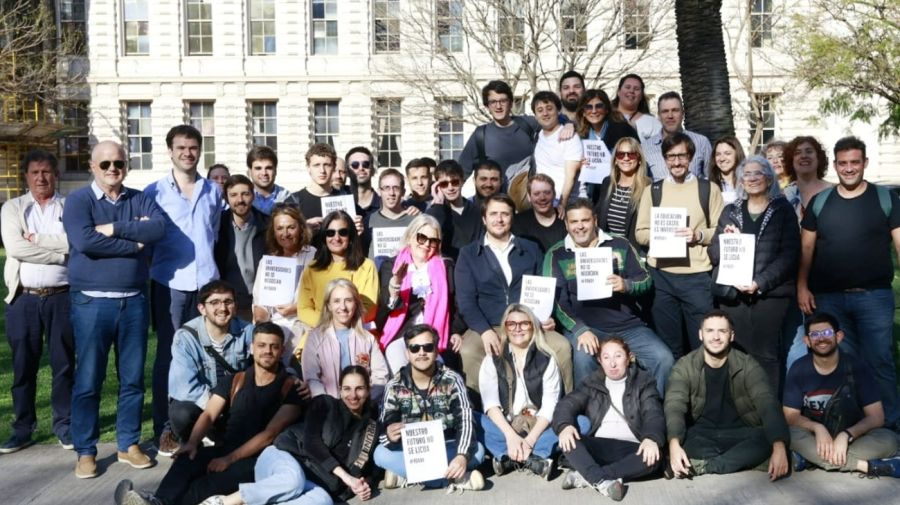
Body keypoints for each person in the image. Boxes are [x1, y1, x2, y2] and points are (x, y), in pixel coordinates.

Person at [63, 140, 166, 478]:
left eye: (118, 164)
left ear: (126, 167)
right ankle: (86, 451)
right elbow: (84, 241)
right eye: (105, 164)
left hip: (133, 301)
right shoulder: (78, 201)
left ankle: (128, 444)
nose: (112, 170)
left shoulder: (139, 198)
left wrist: (117, 228)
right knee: (89, 379)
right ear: (93, 166)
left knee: (133, 379)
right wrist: (133, 244)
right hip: (91, 302)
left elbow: (158, 229)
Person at [115, 323, 304, 505]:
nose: (267, 351)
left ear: (282, 351)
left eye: (274, 347)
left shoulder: (291, 388)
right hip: (226, 447)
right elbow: (208, 415)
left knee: (205, 486)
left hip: (261, 458)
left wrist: (229, 459)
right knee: (186, 460)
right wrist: (192, 442)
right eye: (261, 345)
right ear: (252, 348)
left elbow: (269, 434)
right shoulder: (236, 380)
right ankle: (159, 501)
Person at [797, 136, 900, 428]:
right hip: (829, 299)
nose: (849, 168)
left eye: (855, 162)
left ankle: (891, 426)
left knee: (880, 362)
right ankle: (852, 425)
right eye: (843, 163)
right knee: (841, 365)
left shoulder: (885, 198)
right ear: (835, 165)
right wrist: (801, 286)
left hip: (874, 297)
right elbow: (806, 250)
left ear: (864, 163)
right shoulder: (821, 201)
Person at [144, 124, 224, 442]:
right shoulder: (154, 192)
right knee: (169, 354)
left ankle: (201, 424)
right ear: (170, 151)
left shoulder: (213, 191)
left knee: (208, 354)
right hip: (170, 283)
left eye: (193, 148)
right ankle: (166, 427)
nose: (187, 153)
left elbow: (213, 233)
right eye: (181, 148)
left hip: (206, 284)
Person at [201, 366, 381, 505]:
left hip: (313, 484)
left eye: (359, 389)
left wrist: (365, 484)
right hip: (282, 459)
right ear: (340, 390)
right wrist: (346, 477)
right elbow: (312, 444)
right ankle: (223, 502)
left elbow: (371, 469)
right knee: (293, 480)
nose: (353, 395)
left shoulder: (371, 428)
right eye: (347, 389)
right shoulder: (325, 404)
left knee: (323, 500)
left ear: (368, 389)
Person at [545, 198, 672, 392]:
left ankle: (654, 412)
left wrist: (626, 285)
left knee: (663, 359)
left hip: (628, 326)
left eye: (585, 220)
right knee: (583, 360)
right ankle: (589, 417)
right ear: (566, 224)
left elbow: (646, 279)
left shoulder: (619, 244)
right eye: (574, 222)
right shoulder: (557, 254)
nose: (580, 227)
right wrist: (579, 329)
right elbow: (555, 301)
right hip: (586, 328)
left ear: (595, 220)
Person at [456, 194, 574, 393]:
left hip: (528, 323)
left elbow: (544, 288)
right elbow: (466, 302)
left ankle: (563, 409)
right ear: (484, 219)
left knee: (561, 346)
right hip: (488, 325)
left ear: (513, 218)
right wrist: (484, 331)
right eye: (493, 214)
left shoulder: (530, 249)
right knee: (468, 351)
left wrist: (546, 317)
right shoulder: (468, 254)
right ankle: (479, 412)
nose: (499, 219)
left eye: (505, 214)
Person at [0, 150, 75, 453]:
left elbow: (77, 242)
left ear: (56, 175)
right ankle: (23, 428)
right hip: (24, 298)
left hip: (63, 298)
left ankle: (65, 425)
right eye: (34, 173)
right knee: (23, 366)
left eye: (46, 172)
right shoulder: (13, 208)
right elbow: (16, 248)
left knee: (65, 364)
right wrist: (60, 254)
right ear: (26, 177)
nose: (41, 178)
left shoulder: (71, 207)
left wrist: (39, 241)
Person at [708, 156, 799, 394]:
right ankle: (739, 409)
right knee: (735, 353)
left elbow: (789, 256)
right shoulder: (731, 211)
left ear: (769, 179)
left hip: (770, 295)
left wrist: (760, 282)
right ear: (740, 180)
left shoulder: (782, 210)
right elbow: (714, 254)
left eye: (758, 173)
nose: (752, 178)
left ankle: (766, 412)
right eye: (746, 174)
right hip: (734, 296)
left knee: (766, 355)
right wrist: (727, 239)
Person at [665, 310, 789, 480]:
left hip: (740, 433)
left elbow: (767, 402)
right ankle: (748, 462)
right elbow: (674, 405)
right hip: (701, 435)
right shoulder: (685, 366)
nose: (716, 337)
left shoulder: (747, 365)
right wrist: (674, 444)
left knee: (767, 439)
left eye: (722, 331)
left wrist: (779, 445)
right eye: (710, 331)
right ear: (701, 334)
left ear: (731, 336)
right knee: (683, 443)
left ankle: (706, 466)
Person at [635, 132, 724, 358]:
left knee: (702, 345)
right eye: (671, 156)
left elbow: (720, 230)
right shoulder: (653, 191)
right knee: (669, 346)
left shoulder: (708, 189)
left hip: (697, 278)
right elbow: (640, 233)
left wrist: (698, 235)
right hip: (662, 277)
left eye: (682, 156)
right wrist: (662, 236)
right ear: (664, 159)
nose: (676, 162)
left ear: (691, 157)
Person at [783, 312, 900, 477]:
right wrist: (817, 428)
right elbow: (790, 416)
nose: (821, 338)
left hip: (853, 438)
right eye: (815, 334)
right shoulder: (799, 368)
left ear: (839, 336)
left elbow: (876, 417)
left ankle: (810, 459)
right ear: (807, 341)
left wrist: (847, 435)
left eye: (827, 333)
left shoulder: (857, 367)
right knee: (786, 433)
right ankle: (867, 466)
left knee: (889, 440)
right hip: (814, 438)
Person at [375, 324, 486, 491]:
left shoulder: (452, 379)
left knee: (477, 451)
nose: (421, 352)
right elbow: (384, 428)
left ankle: (408, 476)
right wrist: (389, 435)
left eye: (428, 347)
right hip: (413, 453)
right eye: (414, 348)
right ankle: (457, 479)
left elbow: (465, 418)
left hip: (447, 444)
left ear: (436, 351)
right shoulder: (394, 385)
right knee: (380, 454)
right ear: (407, 353)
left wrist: (462, 456)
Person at [552, 338, 664, 501]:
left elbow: (653, 412)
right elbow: (567, 404)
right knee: (569, 439)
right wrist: (564, 426)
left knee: (655, 456)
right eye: (606, 357)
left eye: (618, 356)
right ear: (599, 361)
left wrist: (651, 438)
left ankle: (589, 476)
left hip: (632, 447)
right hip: (601, 445)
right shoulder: (592, 383)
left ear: (628, 358)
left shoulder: (644, 382)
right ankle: (602, 480)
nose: (612, 364)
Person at [159, 280, 254, 457]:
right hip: (203, 403)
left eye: (228, 302)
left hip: (234, 402)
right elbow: (184, 387)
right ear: (202, 308)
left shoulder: (248, 331)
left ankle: (219, 438)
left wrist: (292, 377)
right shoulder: (185, 337)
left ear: (235, 305)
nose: (222, 308)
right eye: (214, 302)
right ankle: (190, 443)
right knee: (181, 413)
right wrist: (215, 408)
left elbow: (267, 363)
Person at [478, 304, 562, 480]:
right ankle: (530, 457)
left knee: (580, 422)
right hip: (505, 426)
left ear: (533, 326)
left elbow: (549, 408)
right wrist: (511, 436)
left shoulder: (546, 359)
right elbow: (491, 404)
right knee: (473, 418)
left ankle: (513, 457)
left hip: (536, 426)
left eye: (524, 323)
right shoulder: (493, 359)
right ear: (505, 327)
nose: (518, 329)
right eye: (512, 324)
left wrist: (530, 440)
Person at [375, 215, 465, 372]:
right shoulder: (391, 265)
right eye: (422, 237)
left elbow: (458, 304)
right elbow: (385, 307)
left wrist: (455, 331)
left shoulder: (446, 267)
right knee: (398, 359)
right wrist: (395, 283)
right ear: (410, 236)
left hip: (436, 335)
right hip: (402, 335)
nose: (427, 244)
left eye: (433, 240)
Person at [302, 279, 389, 398]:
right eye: (336, 301)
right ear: (329, 305)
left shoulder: (368, 339)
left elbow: (380, 376)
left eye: (348, 300)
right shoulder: (315, 338)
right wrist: (329, 404)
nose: (343, 307)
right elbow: (311, 379)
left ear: (356, 304)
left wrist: (365, 400)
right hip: (328, 409)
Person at [251, 205, 316, 359]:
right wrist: (261, 318)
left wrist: (297, 308)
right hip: (272, 327)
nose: (285, 234)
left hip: (302, 326)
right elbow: (259, 302)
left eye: (291, 228)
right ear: (273, 232)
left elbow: (321, 301)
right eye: (279, 228)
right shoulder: (268, 261)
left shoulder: (315, 256)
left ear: (300, 228)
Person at [297, 210, 379, 327]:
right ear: (324, 236)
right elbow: (304, 309)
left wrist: (342, 323)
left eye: (343, 232)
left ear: (351, 236)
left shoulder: (367, 266)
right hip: (320, 329)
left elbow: (370, 308)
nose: (336, 238)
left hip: (355, 330)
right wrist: (329, 324)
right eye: (330, 233)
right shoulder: (312, 268)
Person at [456, 80, 540, 179]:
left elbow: (556, 121)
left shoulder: (529, 124)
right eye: (493, 102)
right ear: (487, 106)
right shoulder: (480, 135)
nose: (498, 106)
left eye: (503, 101)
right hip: (494, 193)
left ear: (511, 103)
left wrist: (564, 127)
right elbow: (461, 172)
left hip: (530, 192)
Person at [214, 174, 269, 321]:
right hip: (226, 302)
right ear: (226, 198)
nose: (240, 200)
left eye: (245, 194)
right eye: (233, 195)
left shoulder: (267, 225)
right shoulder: (217, 225)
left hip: (259, 302)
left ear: (253, 196)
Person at [575, 89, 639, 205]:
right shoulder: (581, 136)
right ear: (583, 112)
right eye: (588, 107)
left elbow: (638, 159)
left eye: (598, 106)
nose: (594, 111)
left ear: (606, 109)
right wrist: (579, 164)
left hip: (621, 191)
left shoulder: (622, 130)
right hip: (592, 194)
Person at [593, 137, 651, 252]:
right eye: (621, 154)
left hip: (634, 253)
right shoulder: (607, 183)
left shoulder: (648, 187)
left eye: (631, 154)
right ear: (615, 159)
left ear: (639, 159)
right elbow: (598, 218)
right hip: (607, 250)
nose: (626, 158)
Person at [642, 92, 712, 181]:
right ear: (659, 116)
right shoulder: (645, 147)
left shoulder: (702, 142)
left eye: (675, 110)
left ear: (683, 113)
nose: (670, 116)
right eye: (665, 111)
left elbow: (711, 179)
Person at [285, 143, 355, 232]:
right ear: (308, 168)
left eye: (327, 165)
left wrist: (356, 230)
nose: (322, 171)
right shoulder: (293, 201)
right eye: (316, 165)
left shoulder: (345, 199)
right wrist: (304, 231)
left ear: (334, 167)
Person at [532, 91, 583, 211]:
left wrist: (562, 204)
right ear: (535, 116)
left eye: (549, 108)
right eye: (540, 110)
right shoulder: (538, 135)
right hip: (544, 202)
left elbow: (570, 176)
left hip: (568, 204)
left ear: (558, 111)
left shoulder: (569, 137)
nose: (545, 113)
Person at [426, 159, 484, 260]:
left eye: (454, 182)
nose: (450, 188)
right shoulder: (434, 212)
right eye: (444, 184)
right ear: (438, 187)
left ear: (462, 181)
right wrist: (438, 205)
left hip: (475, 266)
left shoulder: (478, 211)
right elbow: (430, 240)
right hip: (447, 268)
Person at [365, 168, 417, 262]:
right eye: (386, 188)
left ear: (403, 192)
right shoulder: (369, 221)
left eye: (396, 188)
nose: (391, 193)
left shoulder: (415, 220)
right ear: (379, 191)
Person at [511, 173, 567, 253]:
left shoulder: (566, 219)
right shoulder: (518, 222)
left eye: (547, 192)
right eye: (536, 194)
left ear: (554, 194)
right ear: (529, 197)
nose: (542, 198)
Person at [782, 136, 832, 220]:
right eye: (797, 153)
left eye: (809, 151)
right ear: (791, 160)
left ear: (818, 158)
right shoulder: (784, 196)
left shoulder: (833, 192)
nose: (804, 156)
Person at [611, 74, 662, 142]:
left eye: (636, 89)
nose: (631, 91)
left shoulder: (652, 123)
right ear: (619, 92)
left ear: (641, 96)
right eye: (627, 87)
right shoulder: (605, 118)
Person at [247, 145, 290, 215]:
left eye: (268, 168)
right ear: (249, 171)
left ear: (275, 170)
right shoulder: (241, 197)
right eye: (258, 168)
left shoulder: (287, 197)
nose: (264, 173)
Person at [708, 136, 746, 205]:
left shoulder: (747, 182)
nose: (722, 158)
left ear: (737, 154)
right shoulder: (707, 185)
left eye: (727, 153)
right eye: (718, 154)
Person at [346, 147, 380, 222]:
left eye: (366, 164)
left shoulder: (384, 205)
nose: (361, 168)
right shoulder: (340, 203)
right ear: (347, 171)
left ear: (373, 170)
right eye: (355, 165)